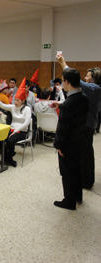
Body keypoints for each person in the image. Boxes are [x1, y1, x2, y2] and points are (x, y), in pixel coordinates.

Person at [56, 55, 101, 189]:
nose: (85, 78)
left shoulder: (95, 89)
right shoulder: (95, 89)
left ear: (93, 79)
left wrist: (63, 63)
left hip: (86, 125)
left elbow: (77, 83)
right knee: (87, 153)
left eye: (87, 76)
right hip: (90, 124)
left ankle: (86, 181)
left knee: (83, 155)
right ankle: (88, 179)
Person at [53, 67, 89, 210]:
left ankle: (69, 201)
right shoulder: (84, 98)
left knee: (67, 173)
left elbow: (62, 128)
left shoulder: (68, 104)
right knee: (76, 169)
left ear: (67, 82)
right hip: (80, 139)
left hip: (68, 144)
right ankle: (78, 196)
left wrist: (58, 145)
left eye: (62, 81)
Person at [0, 78, 32, 167]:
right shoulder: (13, 107)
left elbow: (27, 123)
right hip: (11, 129)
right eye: (15, 99)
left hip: (22, 131)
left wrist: (16, 130)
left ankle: (9, 155)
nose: (15, 102)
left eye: (18, 100)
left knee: (10, 141)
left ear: (23, 101)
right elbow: (2, 105)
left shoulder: (27, 109)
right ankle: (8, 157)